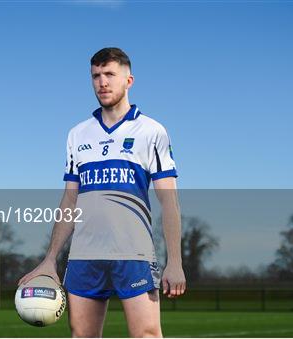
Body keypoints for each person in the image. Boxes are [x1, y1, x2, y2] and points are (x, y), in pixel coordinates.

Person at [18, 47, 185, 338]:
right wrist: (50, 258)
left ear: (128, 81)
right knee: (82, 335)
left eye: (109, 74)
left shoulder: (152, 131)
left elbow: (169, 201)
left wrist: (176, 262)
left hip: (134, 254)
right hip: (84, 256)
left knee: (146, 334)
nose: (102, 82)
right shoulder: (77, 134)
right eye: (96, 75)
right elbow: (70, 199)